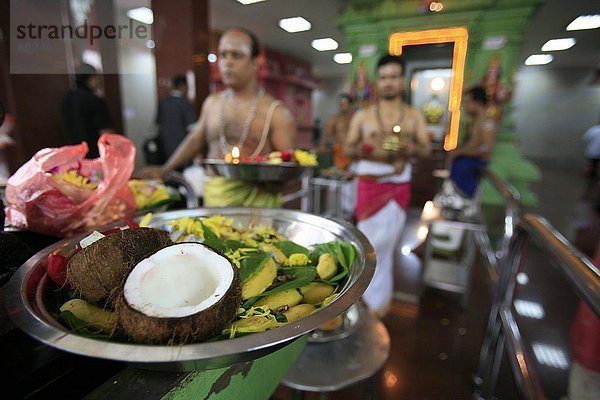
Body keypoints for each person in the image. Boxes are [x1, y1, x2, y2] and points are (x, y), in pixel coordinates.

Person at [143, 28, 296, 207]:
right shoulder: (212, 103)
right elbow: (194, 140)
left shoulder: (276, 112)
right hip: (215, 201)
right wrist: (165, 169)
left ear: (255, 63)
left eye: (237, 55)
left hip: (257, 205)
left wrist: (272, 181)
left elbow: (289, 165)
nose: (227, 62)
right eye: (223, 55)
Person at [344, 54, 432, 317]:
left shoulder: (413, 116)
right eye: (383, 78)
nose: (389, 82)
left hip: (396, 188)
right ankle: (364, 301)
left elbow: (426, 150)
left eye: (394, 76)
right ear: (376, 82)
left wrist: (411, 147)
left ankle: (377, 306)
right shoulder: (364, 116)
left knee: (384, 248)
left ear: (402, 80)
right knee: (368, 246)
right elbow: (348, 148)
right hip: (369, 187)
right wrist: (364, 148)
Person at [434, 86, 497, 215]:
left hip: (469, 171)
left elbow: (487, 151)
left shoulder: (487, 124)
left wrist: (460, 153)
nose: (465, 106)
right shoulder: (477, 121)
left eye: (468, 102)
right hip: (461, 169)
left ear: (477, 102)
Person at [61, 63, 114, 159]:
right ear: (90, 77)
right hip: (94, 153)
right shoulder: (94, 99)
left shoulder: (66, 98)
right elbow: (105, 131)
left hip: (73, 152)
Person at [155, 74, 197, 161]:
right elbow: (193, 129)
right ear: (183, 86)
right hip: (183, 148)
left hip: (165, 147)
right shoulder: (185, 104)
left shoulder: (163, 102)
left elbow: (158, 124)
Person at [318, 93, 354, 170]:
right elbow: (325, 136)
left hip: (354, 154)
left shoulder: (356, 118)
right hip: (340, 153)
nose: (341, 107)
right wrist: (323, 147)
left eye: (344, 104)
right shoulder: (334, 120)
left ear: (350, 105)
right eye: (340, 104)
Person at [582, 116, 600, 195]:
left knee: (589, 164)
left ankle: (588, 176)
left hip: (592, 151)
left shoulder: (594, 129)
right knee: (597, 165)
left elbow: (586, 138)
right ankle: (596, 177)